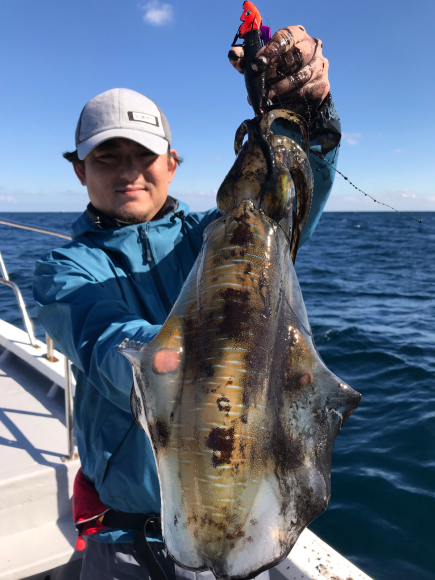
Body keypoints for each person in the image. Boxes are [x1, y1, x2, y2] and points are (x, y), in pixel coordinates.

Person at [33, 26, 341, 580]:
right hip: (126, 531)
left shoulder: (214, 235)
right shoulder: (65, 270)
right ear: (79, 170)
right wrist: (151, 359)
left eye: (143, 154)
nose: (128, 171)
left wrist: (310, 125)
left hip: (248, 508)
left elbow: (283, 212)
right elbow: (97, 335)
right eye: (108, 157)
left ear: (172, 162)